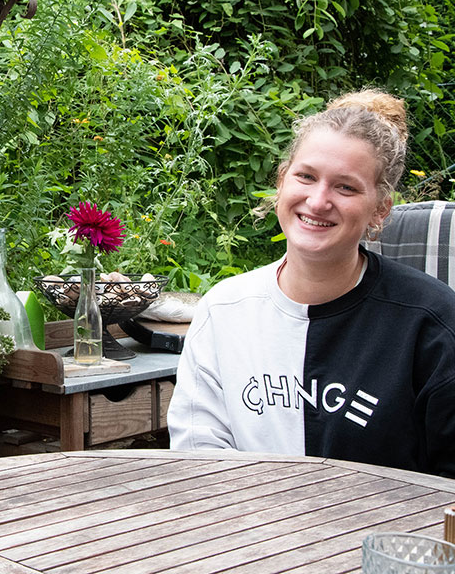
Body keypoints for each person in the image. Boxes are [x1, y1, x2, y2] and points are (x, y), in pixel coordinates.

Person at [167, 89, 455, 478]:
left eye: (346, 187)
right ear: (283, 180)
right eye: (306, 177)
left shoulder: (433, 323)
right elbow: (197, 457)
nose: (318, 201)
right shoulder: (224, 310)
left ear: (380, 208)